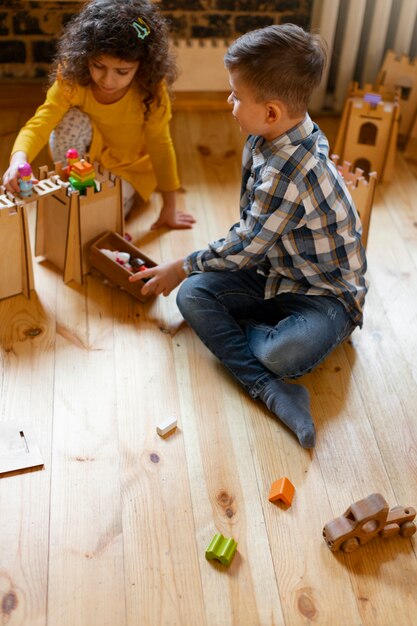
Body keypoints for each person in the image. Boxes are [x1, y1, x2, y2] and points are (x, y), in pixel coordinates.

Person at [129, 24, 368, 449]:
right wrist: (192, 276)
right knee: (192, 296)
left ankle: (265, 377)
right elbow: (252, 238)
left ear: (272, 112)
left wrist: (182, 265)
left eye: (237, 96)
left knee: (281, 354)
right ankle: (271, 383)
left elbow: (247, 243)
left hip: (326, 296)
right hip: (274, 268)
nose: (229, 102)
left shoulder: (287, 171)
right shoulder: (270, 135)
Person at [2, 0, 194, 230]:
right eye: (98, 66)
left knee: (99, 218)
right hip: (85, 153)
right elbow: (42, 122)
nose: (107, 80)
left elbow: (160, 145)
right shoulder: (73, 77)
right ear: (85, 57)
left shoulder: (151, 90)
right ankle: (73, 183)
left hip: (127, 165)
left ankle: (117, 198)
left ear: (142, 66)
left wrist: (169, 206)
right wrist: (18, 159)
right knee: (69, 119)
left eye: (122, 72)